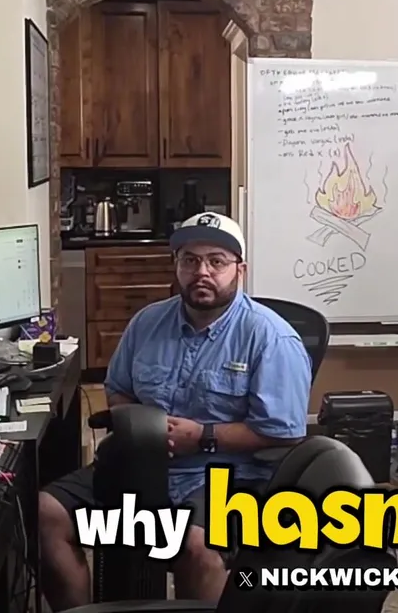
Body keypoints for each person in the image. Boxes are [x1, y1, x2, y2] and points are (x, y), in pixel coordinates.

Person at [39, 212, 312, 609]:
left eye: (216, 261)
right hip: (140, 464)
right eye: (190, 260)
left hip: (226, 476)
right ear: (177, 266)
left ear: (240, 270)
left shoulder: (271, 337)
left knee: (197, 545)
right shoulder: (147, 322)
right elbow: (118, 390)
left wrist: (202, 436)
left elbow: (284, 432)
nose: (202, 272)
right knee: (46, 512)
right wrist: (142, 428)